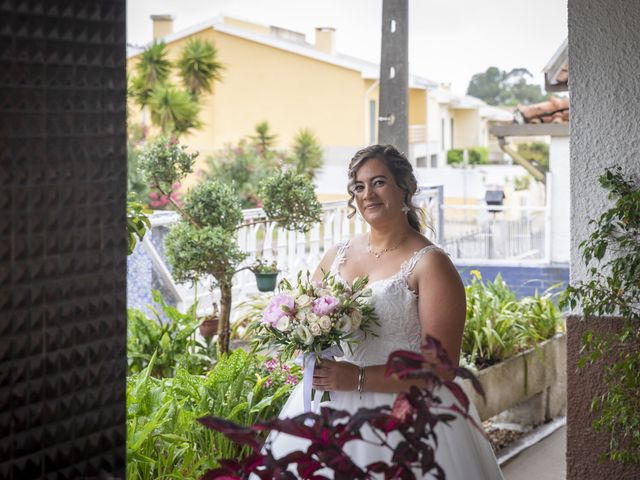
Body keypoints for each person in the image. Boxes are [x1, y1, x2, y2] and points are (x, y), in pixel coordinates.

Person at [269, 144, 504, 479]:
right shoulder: (337, 254)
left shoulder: (430, 263)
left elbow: (442, 367)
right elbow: (308, 322)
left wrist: (358, 379)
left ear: (404, 187)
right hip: (330, 405)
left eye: (379, 182)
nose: (368, 194)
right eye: (359, 187)